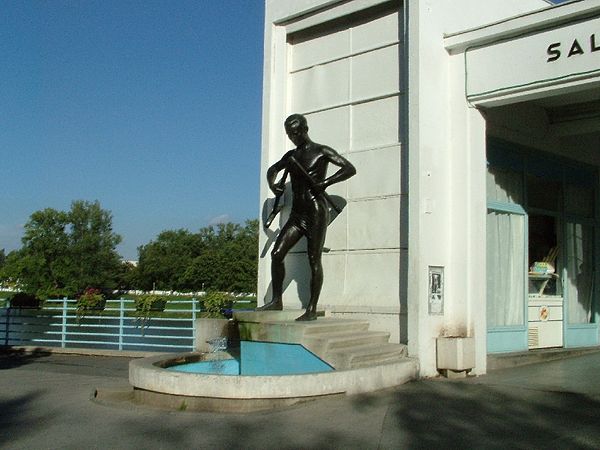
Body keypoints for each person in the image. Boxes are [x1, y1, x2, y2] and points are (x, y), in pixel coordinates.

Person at [258, 114, 356, 321]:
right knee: (277, 253)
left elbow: (349, 168)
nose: (292, 137)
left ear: (304, 130)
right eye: (289, 134)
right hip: (297, 213)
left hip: (315, 211)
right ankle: (276, 301)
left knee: (314, 258)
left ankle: (311, 308)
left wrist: (326, 182)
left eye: (295, 133)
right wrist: (272, 184)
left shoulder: (321, 151)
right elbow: (272, 169)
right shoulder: (291, 156)